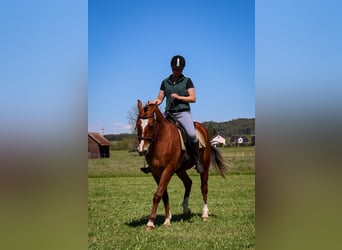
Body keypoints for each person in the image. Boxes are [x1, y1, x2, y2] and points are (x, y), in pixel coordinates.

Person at [140, 55, 204, 174]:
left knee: (191, 134)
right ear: (171, 68)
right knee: (154, 133)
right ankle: (152, 163)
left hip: (183, 113)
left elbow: (193, 98)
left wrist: (179, 97)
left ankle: (197, 161)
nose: (177, 71)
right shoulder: (165, 82)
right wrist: (152, 103)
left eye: (179, 69)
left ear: (183, 69)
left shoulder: (187, 81)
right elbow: (159, 99)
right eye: (175, 69)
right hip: (169, 114)